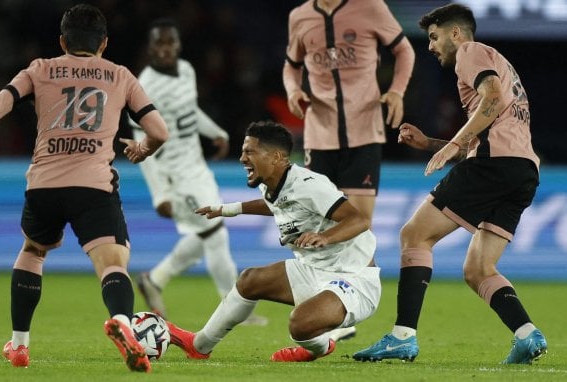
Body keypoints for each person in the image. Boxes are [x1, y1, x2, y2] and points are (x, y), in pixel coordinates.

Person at [0, 4, 169, 372]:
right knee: (112, 263)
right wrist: (142, 149)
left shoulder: (40, 69)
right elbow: (160, 131)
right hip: (93, 185)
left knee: (33, 251)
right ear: (104, 43)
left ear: (62, 40)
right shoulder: (120, 75)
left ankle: (19, 345)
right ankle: (121, 322)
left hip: (44, 185)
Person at [353, 4, 548, 365]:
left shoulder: (470, 53)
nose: (430, 45)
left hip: (494, 165)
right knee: (478, 269)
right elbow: (490, 132)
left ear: (455, 33)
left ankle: (402, 337)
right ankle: (527, 335)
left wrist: (456, 143)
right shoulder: (502, 63)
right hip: (523, 172)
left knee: (414, 235)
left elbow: (492, 99)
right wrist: (431, 144)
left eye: (434, 36)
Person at [164, 120, 381, 362]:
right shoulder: (273, 184)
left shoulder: (310, 186)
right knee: (250, 280)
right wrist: (227, 209)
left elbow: (359, 220)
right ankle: (199, 345)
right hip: (314, 269)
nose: (242, 158)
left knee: (300, 325)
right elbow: (274, 204)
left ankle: (322, 344)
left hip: (354, 278)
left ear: (277, 157)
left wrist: (324, 237)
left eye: (250, 152)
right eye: (243, 151)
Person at [283, 0, 415, 340]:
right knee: (319, 224)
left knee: (357, 224)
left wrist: (397, 92)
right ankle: (336, 310)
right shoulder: (300, 16)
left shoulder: (370, 7)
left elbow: (405, 51)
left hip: (364, 133)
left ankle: (346, 307)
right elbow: (290, 66)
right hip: (319, 134)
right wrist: (293, 89)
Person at [130, 18, 267, 326]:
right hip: (174, 172)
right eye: (159, 44)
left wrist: (215, 132)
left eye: (170, 43)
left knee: (205, 232)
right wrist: (160, 193)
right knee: (215, 234)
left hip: (196, 166)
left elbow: (190, 110)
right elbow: (142, 143)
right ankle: (233, 307)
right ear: (150, 49)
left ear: (178, 45)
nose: (165, 49)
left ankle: (155, 279)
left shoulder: (187, 70)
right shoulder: (144, 87)